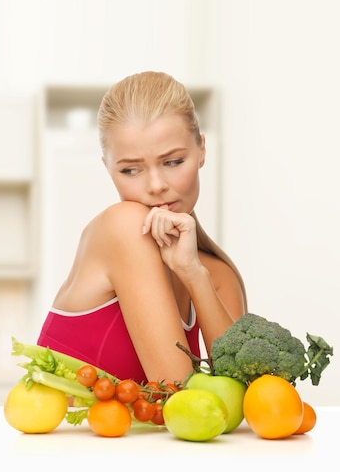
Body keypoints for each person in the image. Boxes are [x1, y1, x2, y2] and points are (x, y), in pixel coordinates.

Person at [37, 71, 247, 385]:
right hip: (62, 434)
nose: (156, 186)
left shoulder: (215, 273)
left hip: (145, 437)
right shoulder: (123, 226)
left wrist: (192, 273)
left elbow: (248, 396)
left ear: (201, 150)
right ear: (107, 167)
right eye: (131, 169)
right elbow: (176, 391)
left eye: (173, 162)